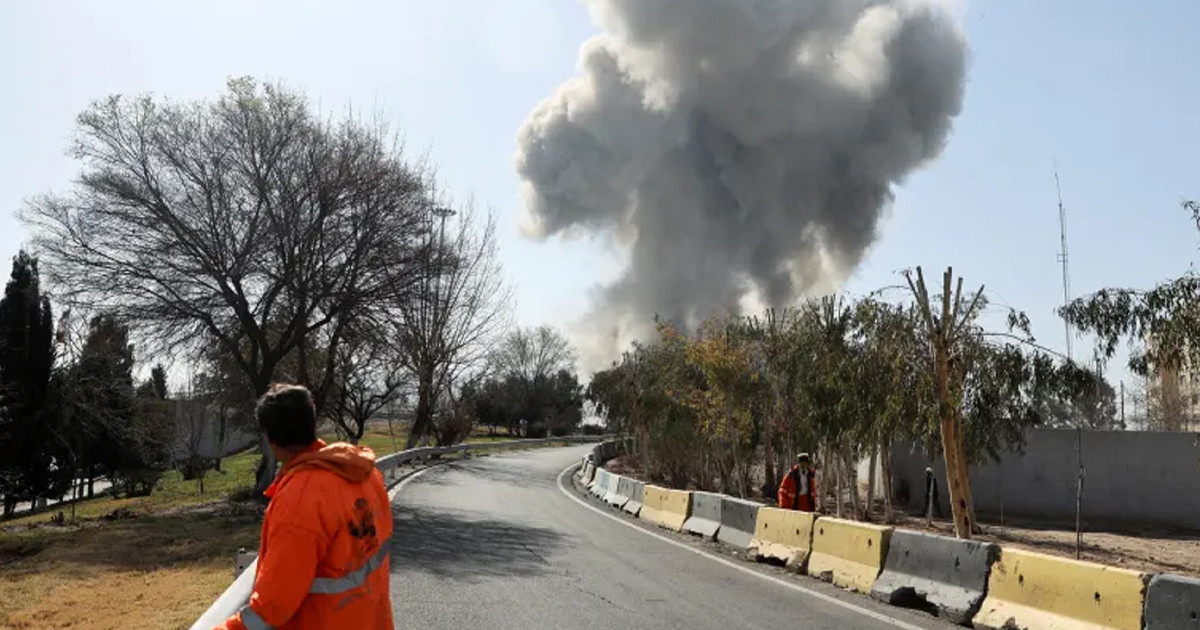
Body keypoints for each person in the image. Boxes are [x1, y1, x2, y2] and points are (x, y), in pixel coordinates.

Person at [216, 384, 394, 630]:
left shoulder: (301, 500)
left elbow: (272, 606)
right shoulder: (365, 475)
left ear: (269, 438)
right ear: (312, 423)